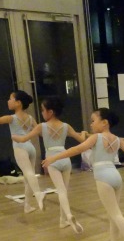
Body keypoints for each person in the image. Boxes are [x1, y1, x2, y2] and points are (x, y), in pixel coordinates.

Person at [42, 108, 124, 241]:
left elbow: (76, 149)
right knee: (113, 213)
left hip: (103, 177)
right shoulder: (118, 139)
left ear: (104, 123)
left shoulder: (96, 137)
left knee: (115, 214)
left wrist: (53, 158)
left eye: (93, 121)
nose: (91, 124)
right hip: (116, 176)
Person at [12, 96, 86, 233]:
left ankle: (68, 215)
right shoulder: (66, 126)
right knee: (64, 191)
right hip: (65, 158)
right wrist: (83, 133)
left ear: (50, 112)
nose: (42, 113)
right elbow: (82, 140)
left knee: (61, 190)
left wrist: (14, 137)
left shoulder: (42, 126)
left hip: (52, 160)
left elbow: (23, 139)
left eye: (43, 110)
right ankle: (63, 220)